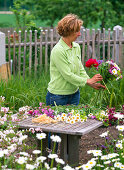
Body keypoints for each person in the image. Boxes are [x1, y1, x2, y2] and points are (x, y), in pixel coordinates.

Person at [46, 14, 105, 106]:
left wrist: (90, 82)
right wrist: (87, 81)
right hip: (58, 96)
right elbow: (67, 75)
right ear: (69, 31)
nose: (79, 34)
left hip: (74, 94)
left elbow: (80, 69)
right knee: (57, 121)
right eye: (77, 31)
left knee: (74, 120)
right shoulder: (58, 50)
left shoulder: (76, 47)